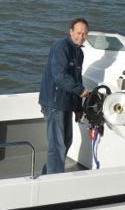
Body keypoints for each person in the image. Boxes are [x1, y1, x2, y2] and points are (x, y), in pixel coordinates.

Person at [38, 18, 90, 174]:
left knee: (66, 142)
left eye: (84, 34)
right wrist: (80, 91)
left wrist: (78, 108)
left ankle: (47, 176)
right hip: (54, 104)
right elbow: (59, 75)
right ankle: (53, 182)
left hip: (67, 104)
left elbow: (77, 78)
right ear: (71, 32)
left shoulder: (79, 52)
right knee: (57, 145)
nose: (81, 36)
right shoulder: (61, 47)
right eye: (78, 33)